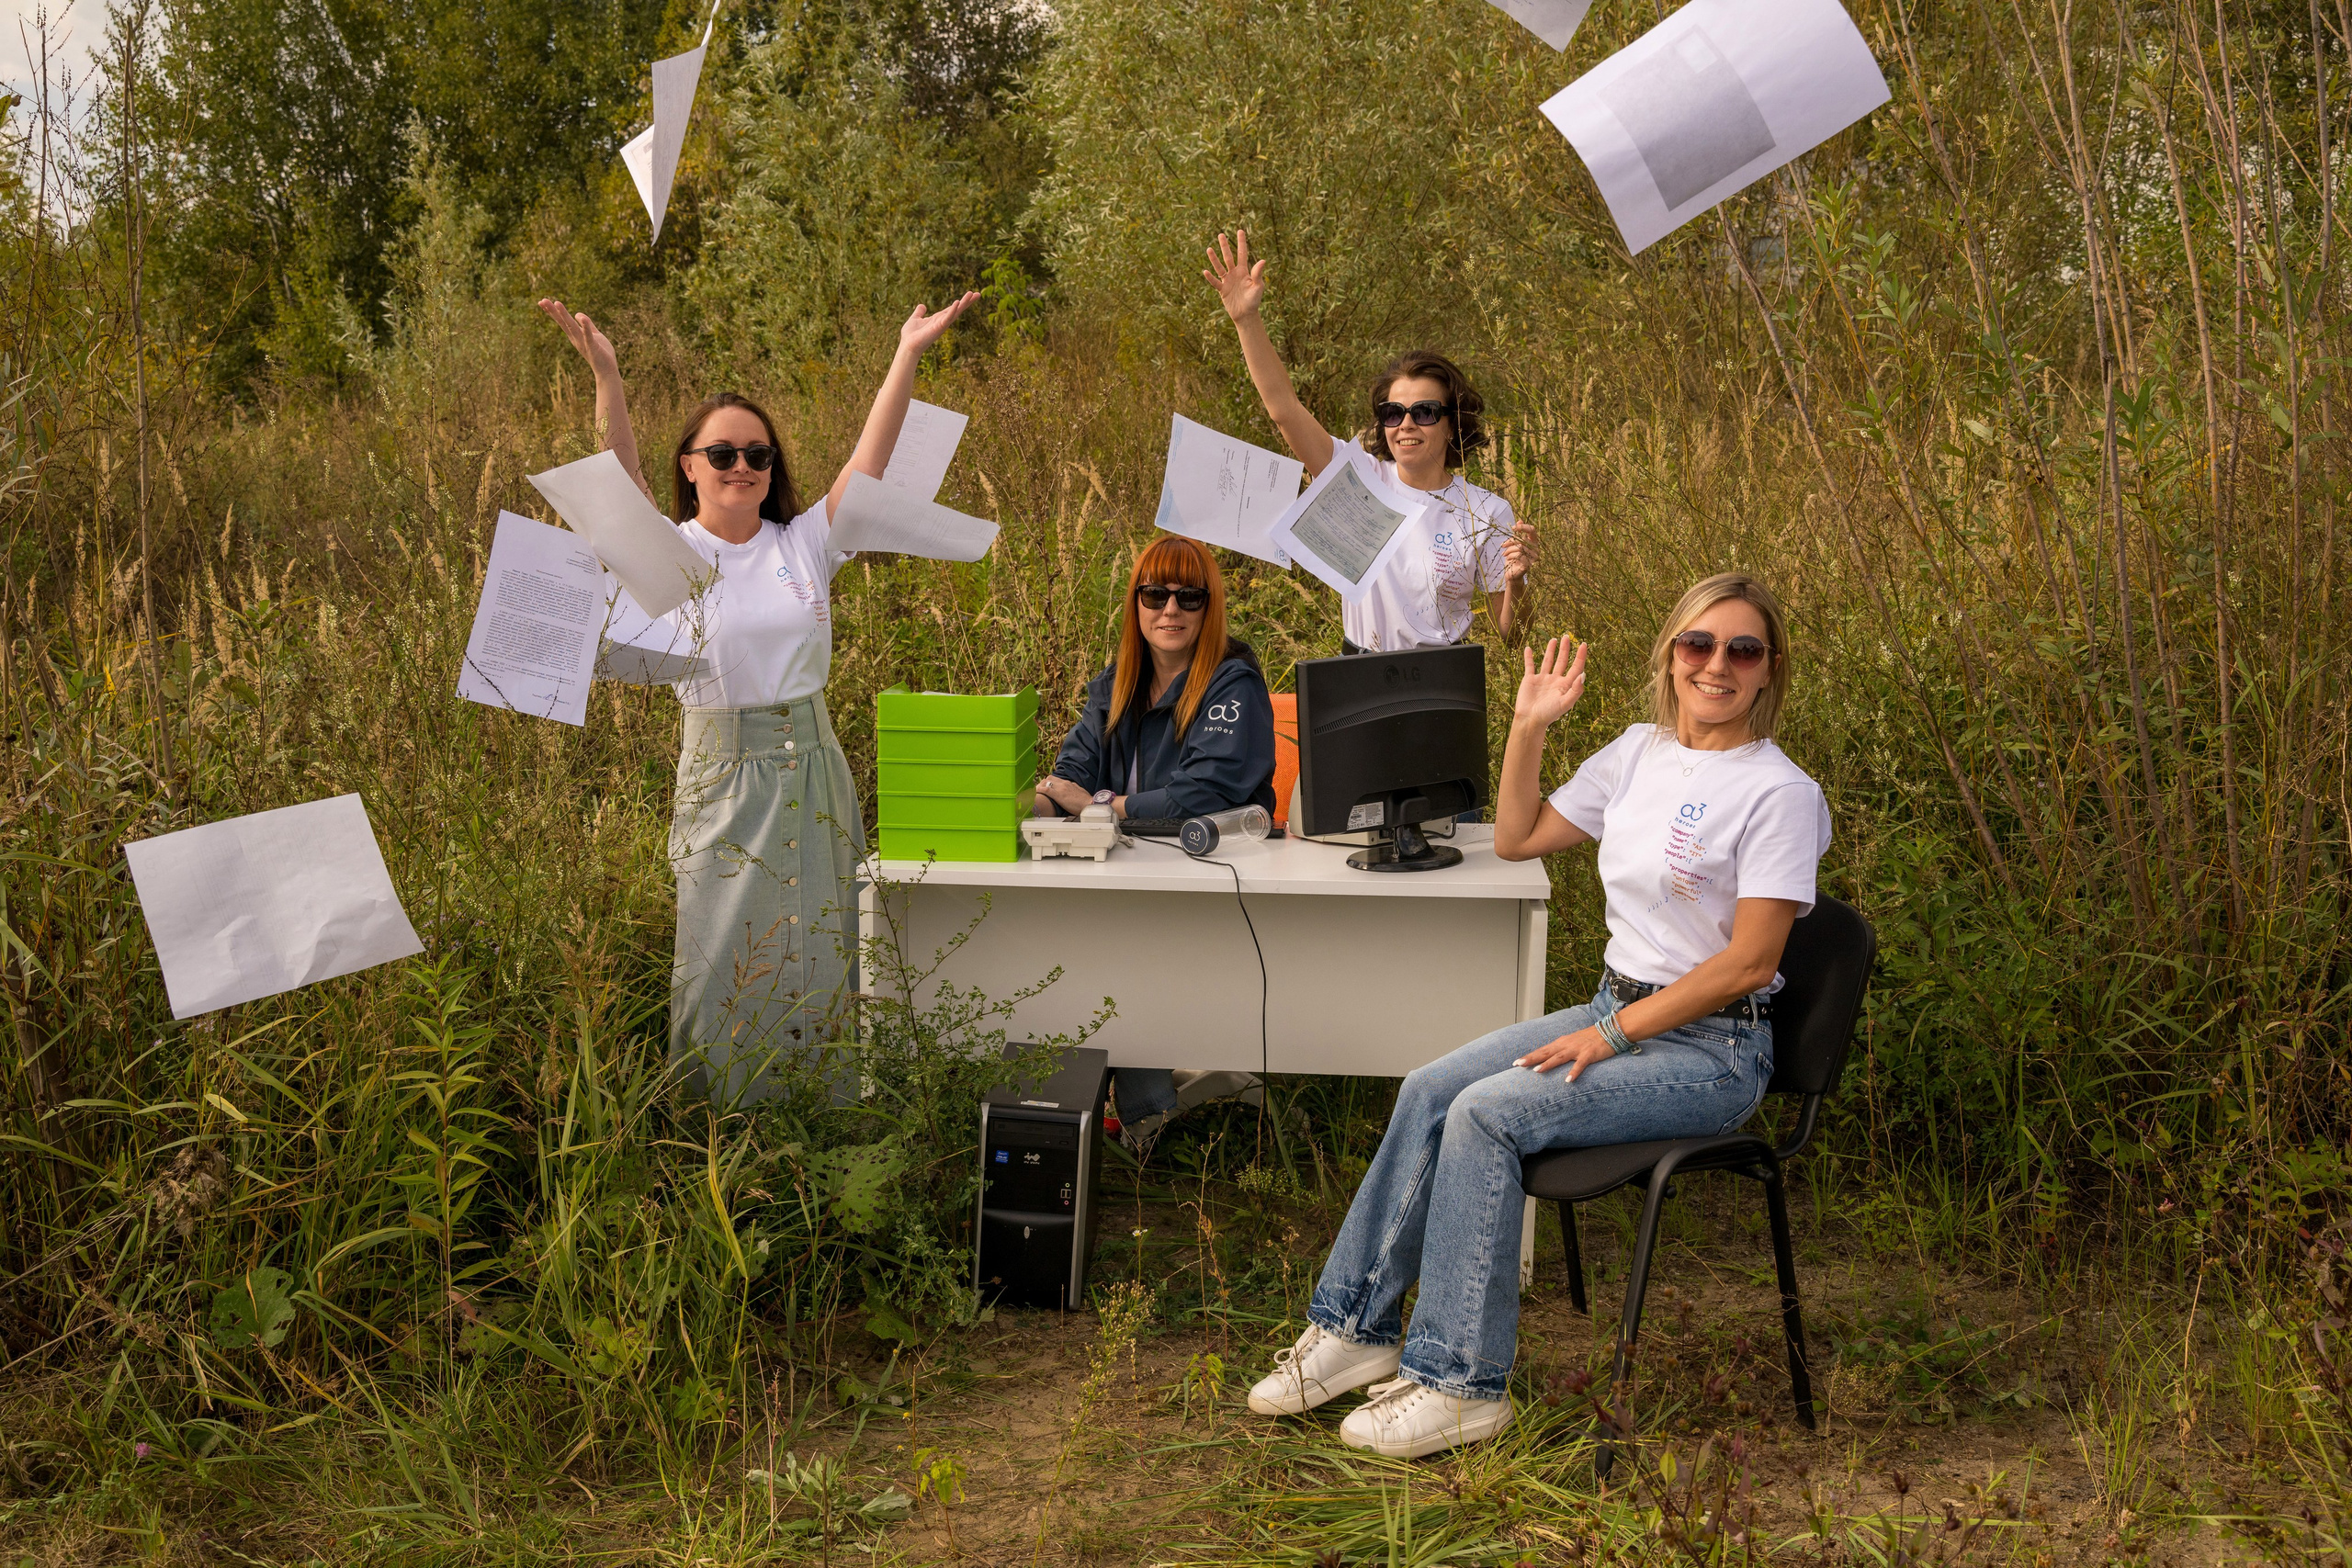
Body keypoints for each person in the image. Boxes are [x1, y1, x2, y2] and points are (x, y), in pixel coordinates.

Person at [1244, 573, 1831, 1459]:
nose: (1716, 665)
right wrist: (1529, 726)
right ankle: (1357, 1328)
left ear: (1768, 669)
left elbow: (1750, 963)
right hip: (1617, 1005)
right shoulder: (1637, 751)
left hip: (1714, 1049)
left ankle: (1459, 1381)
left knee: (1489, 1111)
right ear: (1670, 656)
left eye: (1741, 649)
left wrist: (1609, 1036)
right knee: (1433, 1084)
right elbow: (1517, 834)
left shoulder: (1780, 792)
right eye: (1697, 645)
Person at [537, 288, 978, 1104]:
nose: (743, 466)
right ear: (690, 464)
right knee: (723, 957)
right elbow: (614, 486)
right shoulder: (669, 550)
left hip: (814, 764)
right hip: (723, 773)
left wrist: (907, 353)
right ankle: (723, 1129)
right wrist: (609, 378)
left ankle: (821, 1119)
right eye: (723, 453)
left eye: (759, 455)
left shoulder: (803, 542)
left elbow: (869, 465)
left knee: (820, 949)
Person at [1035, 534, 1276, 1147]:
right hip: (1129, 884)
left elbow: (1201, 797)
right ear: (1135, 604)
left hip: (1217, 888)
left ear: (1209, 606)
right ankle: (1116, 1117)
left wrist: (1096, 805)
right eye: (1155, 593)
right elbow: (1069, 773)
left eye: (1188, 596)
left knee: (1116, 951)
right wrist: (1028, 805)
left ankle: (1150, 1120)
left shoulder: (1233, 684)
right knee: (1077, 945)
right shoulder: (1113, 684)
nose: (1170, 609)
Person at [1203, 229, 1534, 656]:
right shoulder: (1357, 475)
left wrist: (1515, 582)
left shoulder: (1487, 512)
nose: (1407, 425)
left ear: (1452, 424)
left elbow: (1516, 637)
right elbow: (1284, 409)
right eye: (1393, 414)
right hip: (1358, 668)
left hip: (1445, 678)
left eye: (1426, 412)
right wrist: (1247, 321)